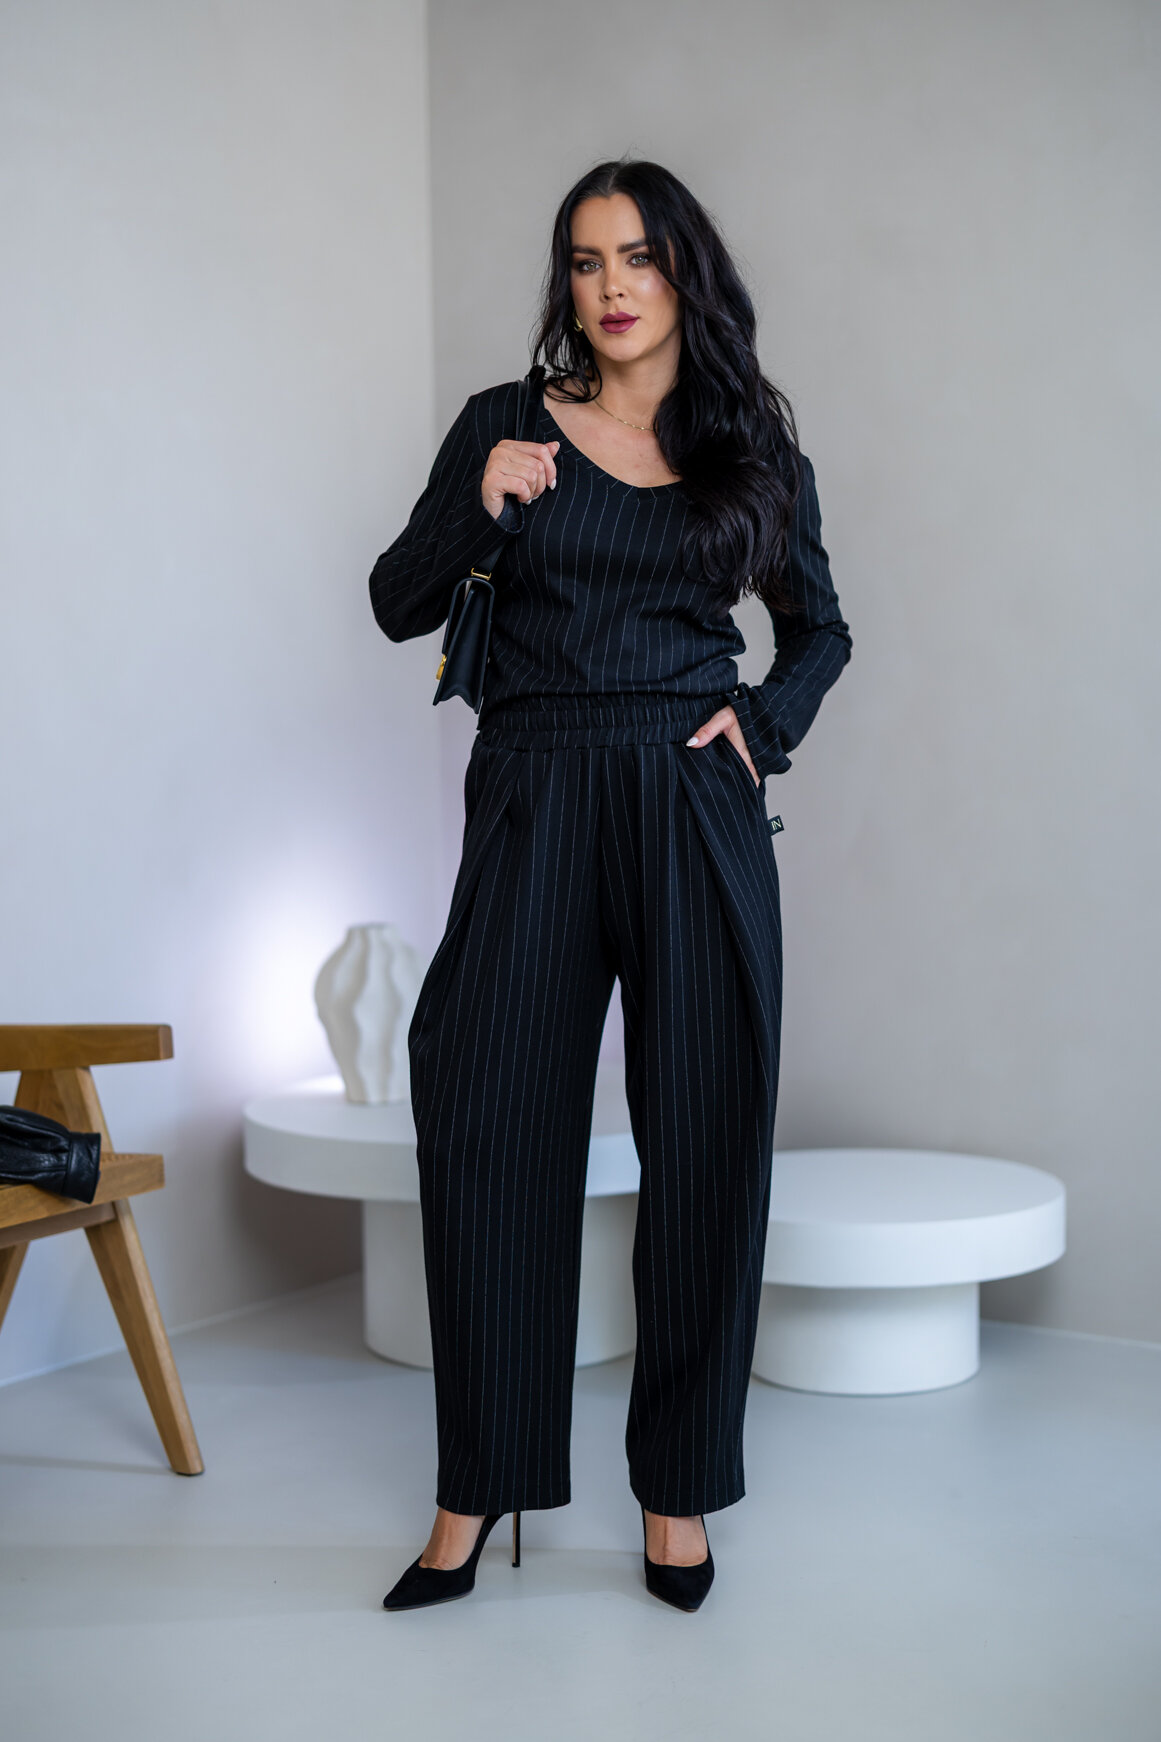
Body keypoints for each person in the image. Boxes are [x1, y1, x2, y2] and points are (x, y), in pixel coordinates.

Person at [368, 155, 852, 1613]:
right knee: (483, 1119)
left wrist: (761, 725)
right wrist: (480, 504)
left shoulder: (747, 445)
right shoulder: (504, 424)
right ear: (563, 283)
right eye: (585, 261)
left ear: (683, 271)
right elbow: (396, 601)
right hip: (534, 786)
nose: (613, 286)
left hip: (690, 796)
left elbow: (821, 628)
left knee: (705, 1136)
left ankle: (677, 1493)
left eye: (638, 256)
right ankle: (478, 1483)